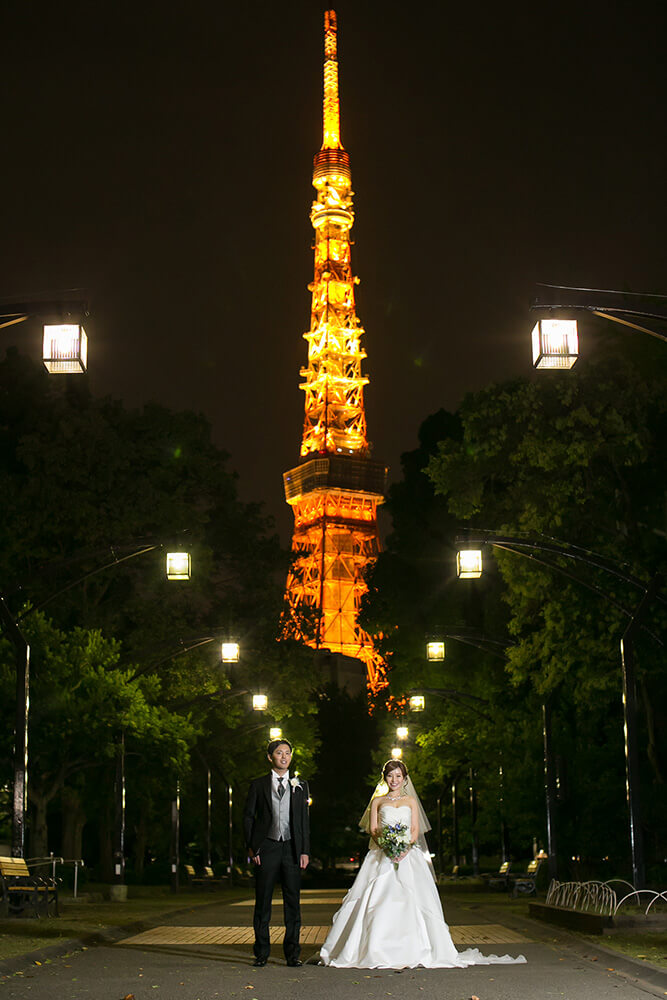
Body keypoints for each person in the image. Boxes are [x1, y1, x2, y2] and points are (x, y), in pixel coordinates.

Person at [319, 759, 527, 970]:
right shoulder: (378, 802)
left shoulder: (410, 801)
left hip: (408, 855)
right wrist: (388, 846)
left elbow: (415, 830)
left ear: (404, 778)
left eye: (398, 776)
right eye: (390, 776)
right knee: (376, 900)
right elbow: (374, 829)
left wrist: (403, 849)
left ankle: (416, 948)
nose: (394, 780)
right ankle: (373, 948)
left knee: (414, 899)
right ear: (385, 778)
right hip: (383, 853)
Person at [243, 738, 310, 967]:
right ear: (270, 757)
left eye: (288, 753)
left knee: (293, 902)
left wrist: (304, 851)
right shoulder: (258, 785)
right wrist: (253, 847)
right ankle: (261, 952)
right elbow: (248, 817)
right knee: (263, 901)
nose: (284, 756)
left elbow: (303, 820)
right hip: (267, 846)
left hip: (291, 848)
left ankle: (292, 954)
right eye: (279, 753)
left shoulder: (300, 784)